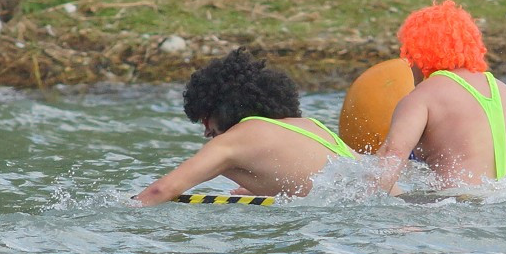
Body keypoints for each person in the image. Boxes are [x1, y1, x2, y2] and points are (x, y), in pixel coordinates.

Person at [374, 0, 506, 193]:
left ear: (417, 54)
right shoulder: (505, 91)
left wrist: (362, 201)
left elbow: (392, 155)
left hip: (456, 209)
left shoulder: (422, 97)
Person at [134, 48, 354, 205]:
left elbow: (160, 190)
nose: (206, 132)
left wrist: (125, 212)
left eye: (204, 120)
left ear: (221, 108)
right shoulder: (310, 124)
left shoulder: (235, 140)